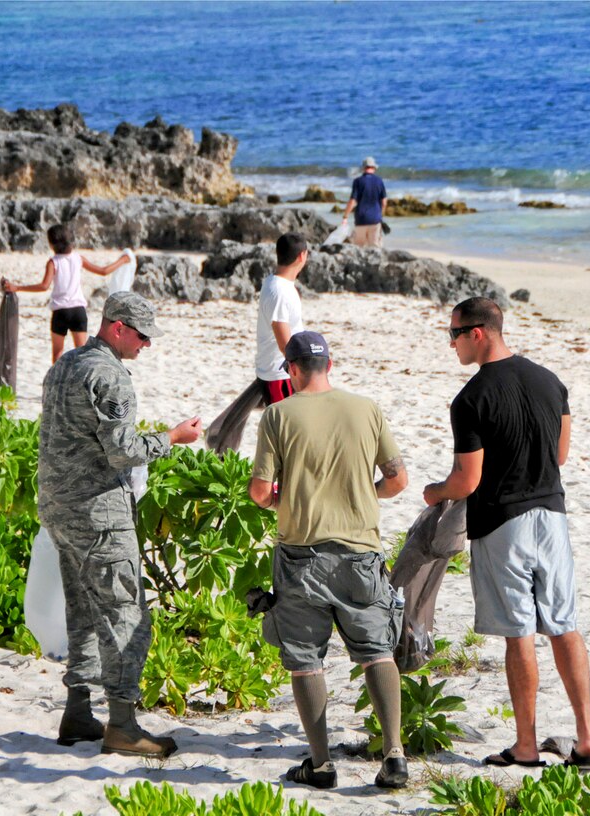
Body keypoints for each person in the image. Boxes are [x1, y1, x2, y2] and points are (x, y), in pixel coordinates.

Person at [423, 297, 590, 771]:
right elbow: (560, 455)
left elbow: (467, 481)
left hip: (503, 522)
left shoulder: (471, 399)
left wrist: (433, 492)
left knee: (519, 633)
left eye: (454, 334)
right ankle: (586, 741)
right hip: (553, 515)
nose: (452, 343)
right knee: (564, 626)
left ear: (478, 333)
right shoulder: (550, 381)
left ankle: (526, 745)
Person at [39, 291, 202, 757]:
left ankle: (77, 712)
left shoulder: (64, 365)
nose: (147, 344)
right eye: (142, 335)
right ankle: (124, 725)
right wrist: (173, 437)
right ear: (117, 328)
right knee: (126, 614)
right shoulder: (109, 375)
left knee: (83, 611)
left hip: (57, 507)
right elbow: (123, 451)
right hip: (98, 512)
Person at [248, 331, 410, 791]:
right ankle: (394, 754)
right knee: (376, 651)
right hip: (361, 552)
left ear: (292, 369)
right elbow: (397, 479)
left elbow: (261, 492)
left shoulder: (278, 415)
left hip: (302, 553)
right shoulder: (366, 408)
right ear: (330, 364)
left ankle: (320, 765)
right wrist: (363, 494)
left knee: (305, 659)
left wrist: (283, 498)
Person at [2, 224, 131, 364]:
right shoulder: (78, 258)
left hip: (60, 311)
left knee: (57, 352)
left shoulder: (53, 262)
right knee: (82, 352)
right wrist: (122, 260)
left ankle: (56, 383)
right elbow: (104, 271)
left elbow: (44, 286)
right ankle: (83, 383)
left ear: (51, 244)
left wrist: (17, 287)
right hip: (78, 311)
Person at [255, 233, 308, 404]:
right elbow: (284, 344)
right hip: (280, 375)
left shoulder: (276, 283)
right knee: (285, 428)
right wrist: (302, 373)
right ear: (302, 256)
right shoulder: (279, 291)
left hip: (282, 372)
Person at [342, 156, 388, 247]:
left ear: (363, 168)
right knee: (375, 249)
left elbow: (353, 201)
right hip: (375, 219)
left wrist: (345, 216)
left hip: (361, 220)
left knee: (359, 249)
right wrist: (380, 215)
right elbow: (384, 202)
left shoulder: (357, 181)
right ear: (374, 168)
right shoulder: (379, 181)